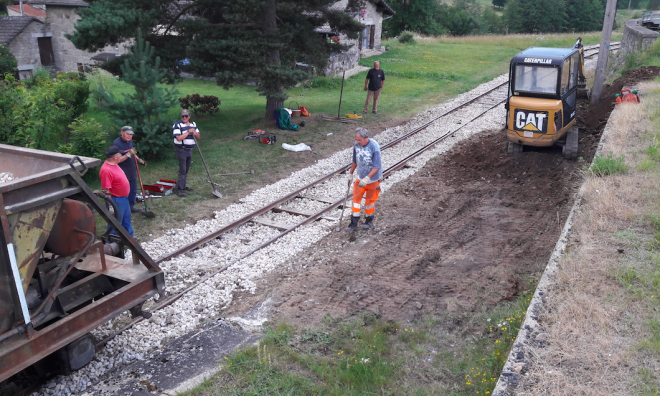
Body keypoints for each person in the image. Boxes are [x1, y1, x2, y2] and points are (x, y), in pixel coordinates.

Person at [347, 127, 382, 232]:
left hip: (373, 180)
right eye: (356, 139)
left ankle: (369, 221)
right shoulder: (356, 145)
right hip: (360, 178)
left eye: (359, 140)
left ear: (366, 138)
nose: (357, 142)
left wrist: (367, 178)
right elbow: (354, 160)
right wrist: (351, 174)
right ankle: (354, 223)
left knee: (369, 202)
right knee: (356, 200)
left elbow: (377, 166)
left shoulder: (374, 147)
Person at [100, 145, 134, 237]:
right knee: (115, 223)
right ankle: (113, 242)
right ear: (115, 156)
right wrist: (111, 206)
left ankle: (130, 238)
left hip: (124, 199)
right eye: (120, 154)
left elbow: (121, 159)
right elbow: (106, 191)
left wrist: (129, 154)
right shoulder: (106, 171)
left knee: (126, 219)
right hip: (116, 200)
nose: (121, 155)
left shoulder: (114, 163)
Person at [113, 126, 145, 213]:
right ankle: (125, 208)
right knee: (125, 191)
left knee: (133, 190)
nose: (129, 136)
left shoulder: (130, 142)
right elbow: (117, 160)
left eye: (131, 134)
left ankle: (131, 207)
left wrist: (139, 160)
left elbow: (133, 153)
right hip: (123, 172)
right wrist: (128, 154)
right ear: (122, 132)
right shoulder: (117, 143)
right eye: (128, 134)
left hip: (132, 170)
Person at [173, 109, 200, 197]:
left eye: (186, 116)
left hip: (189, 150)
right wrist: (188, 132)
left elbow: (198, 136)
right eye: (182, 116)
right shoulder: (177, 125)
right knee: (182, 170)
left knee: (186, 169)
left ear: (189, 116)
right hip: (181, 150)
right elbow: (178, 138)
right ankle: (179, 190)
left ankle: (183, 186)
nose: (184, 118)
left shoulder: (193, 124)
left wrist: (194, 131)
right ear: (181, 116)